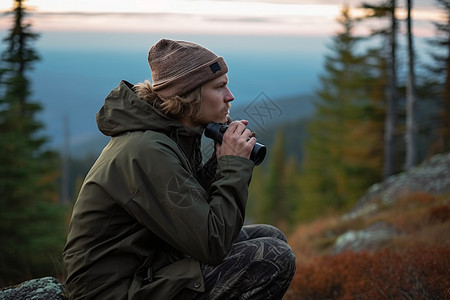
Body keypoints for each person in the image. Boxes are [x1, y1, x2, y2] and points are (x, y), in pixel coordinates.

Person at [63, 38, 296, 299]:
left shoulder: (172, 134)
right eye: (219, 87)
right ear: (189, 95)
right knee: (275, 258)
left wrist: (219, 162)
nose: (230, 97)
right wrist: (234, 165)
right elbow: (211, 243)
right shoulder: (146, 150)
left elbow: (189, 212)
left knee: (270, 235)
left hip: (149, 266)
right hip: (113, 290)